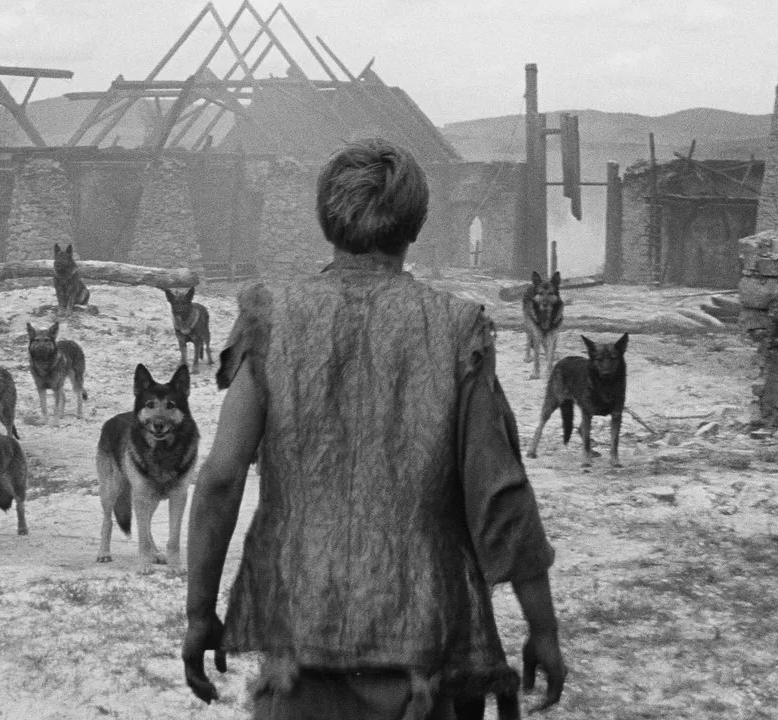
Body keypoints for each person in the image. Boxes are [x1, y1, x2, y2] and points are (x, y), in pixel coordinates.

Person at [181, 139, 567, 720]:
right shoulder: (455, 329)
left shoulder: (272, 319)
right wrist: (543, 628)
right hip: (419, 653)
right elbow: (498, 494)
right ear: (415, 224)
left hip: (300, 641)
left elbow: (220, 478)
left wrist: (199, 613)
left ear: (326, 220)